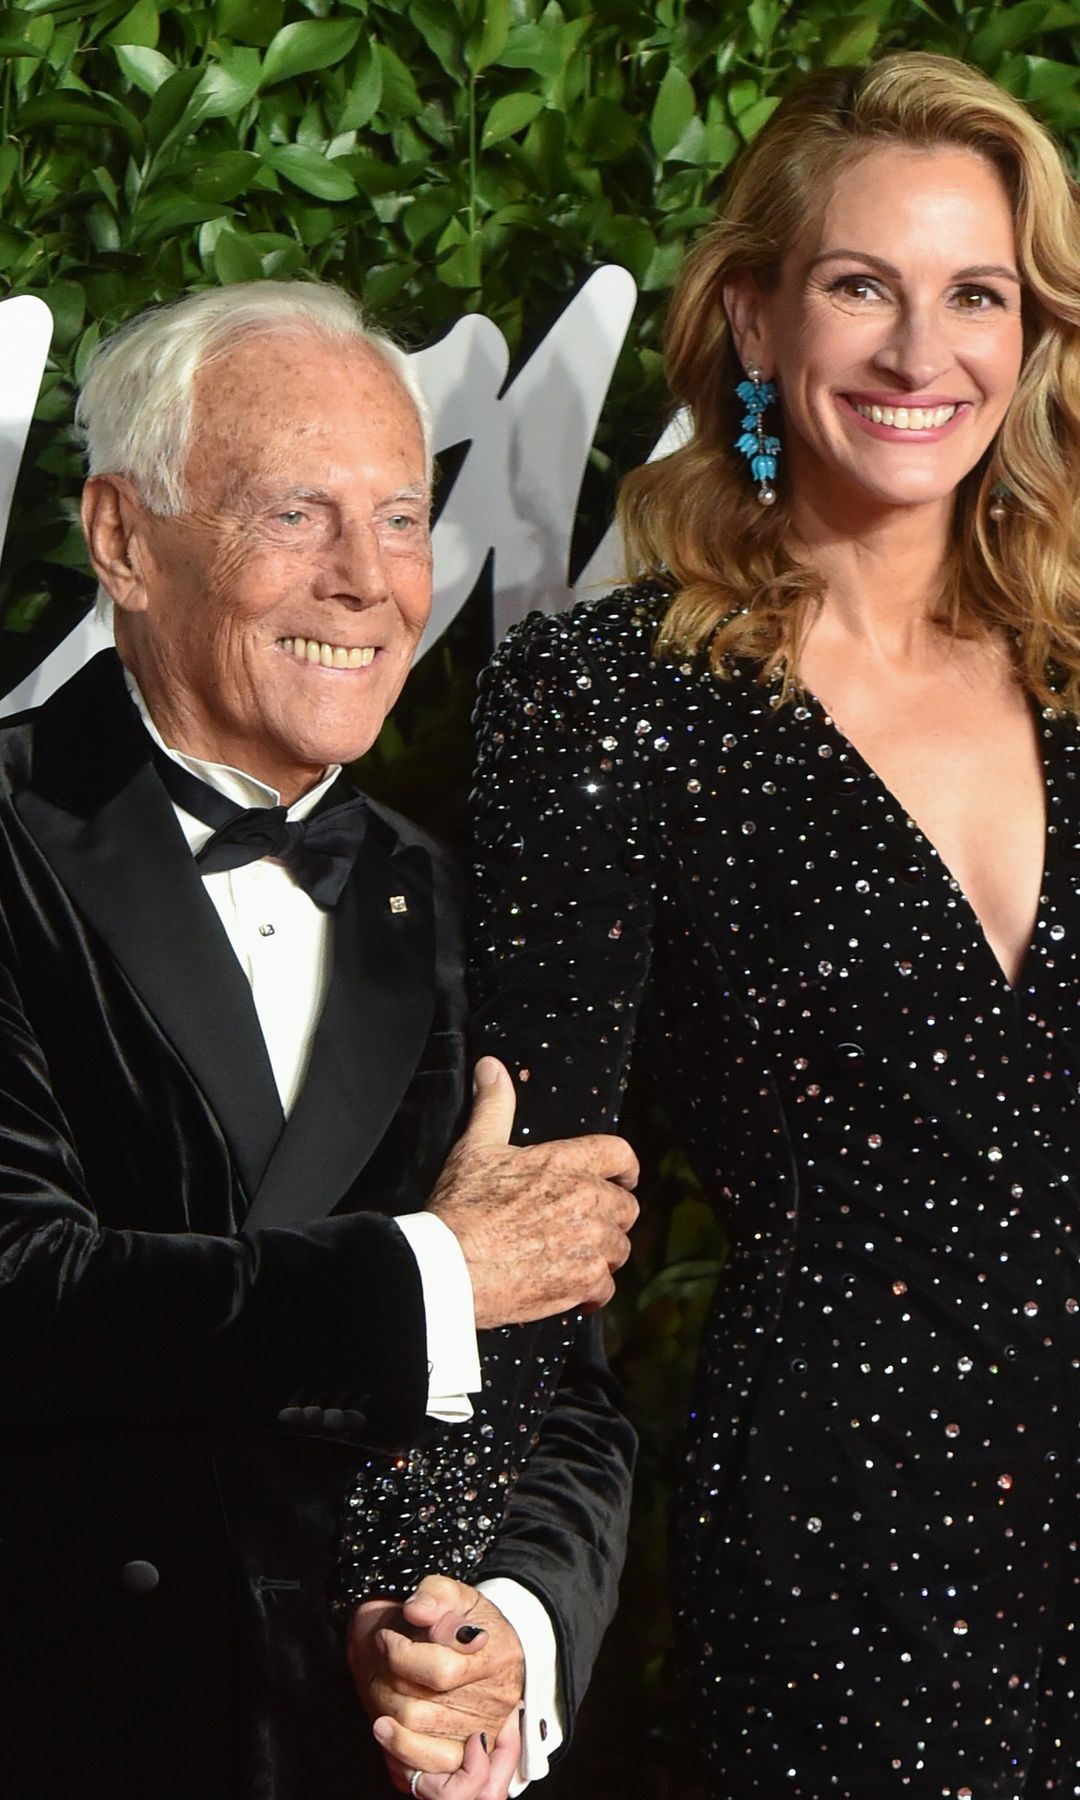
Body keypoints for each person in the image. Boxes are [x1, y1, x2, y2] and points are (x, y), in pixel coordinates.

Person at [470, 50, 1080, 1797]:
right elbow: (529, 1197)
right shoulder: (609, 703)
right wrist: (466, 1586)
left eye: (977, 295)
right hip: (850, 1539)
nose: (920, 353)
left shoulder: (1076, 671)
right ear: (754, 318)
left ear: (1030, 336)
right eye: (860, 287)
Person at [0, 279, 639, 1800]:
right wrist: (432, 1276)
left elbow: (559, 1380)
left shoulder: (449, 903)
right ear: (122, 539)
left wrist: (501, 1636)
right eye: (295, 514)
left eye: (401, 519)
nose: (366, 581)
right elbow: (23, 1291)